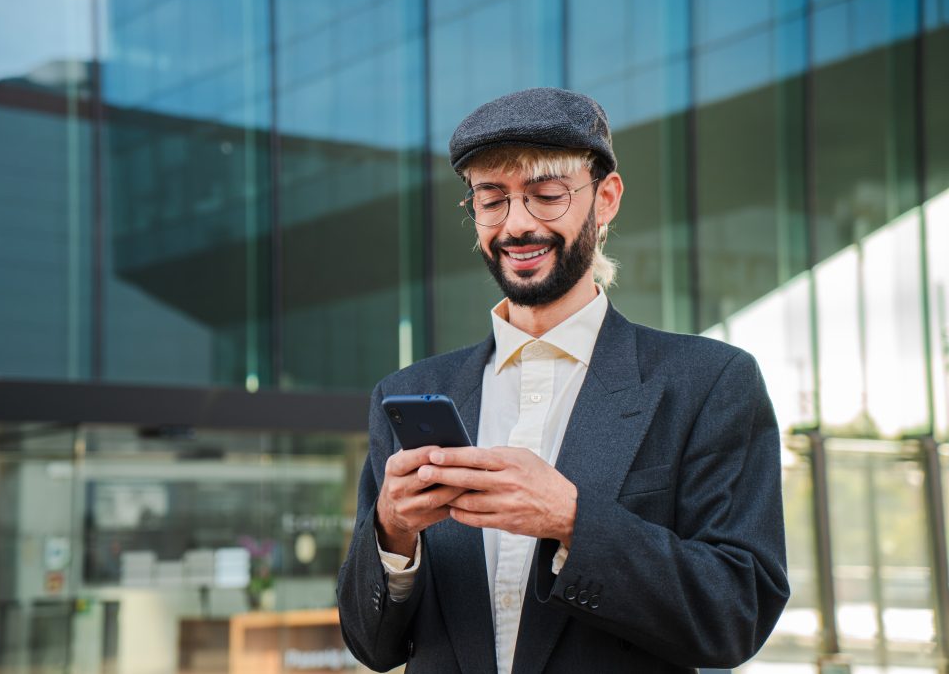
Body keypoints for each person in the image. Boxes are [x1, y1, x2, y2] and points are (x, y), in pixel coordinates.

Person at [337, 87, 789, 673]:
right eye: (491, 199)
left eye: (546, 195)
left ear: (605, 200)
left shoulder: (709, 383)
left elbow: (738, 613)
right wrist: (392, 532)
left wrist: (572, 519)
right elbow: (371, 646)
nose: (517, 225)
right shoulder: (409, 390)